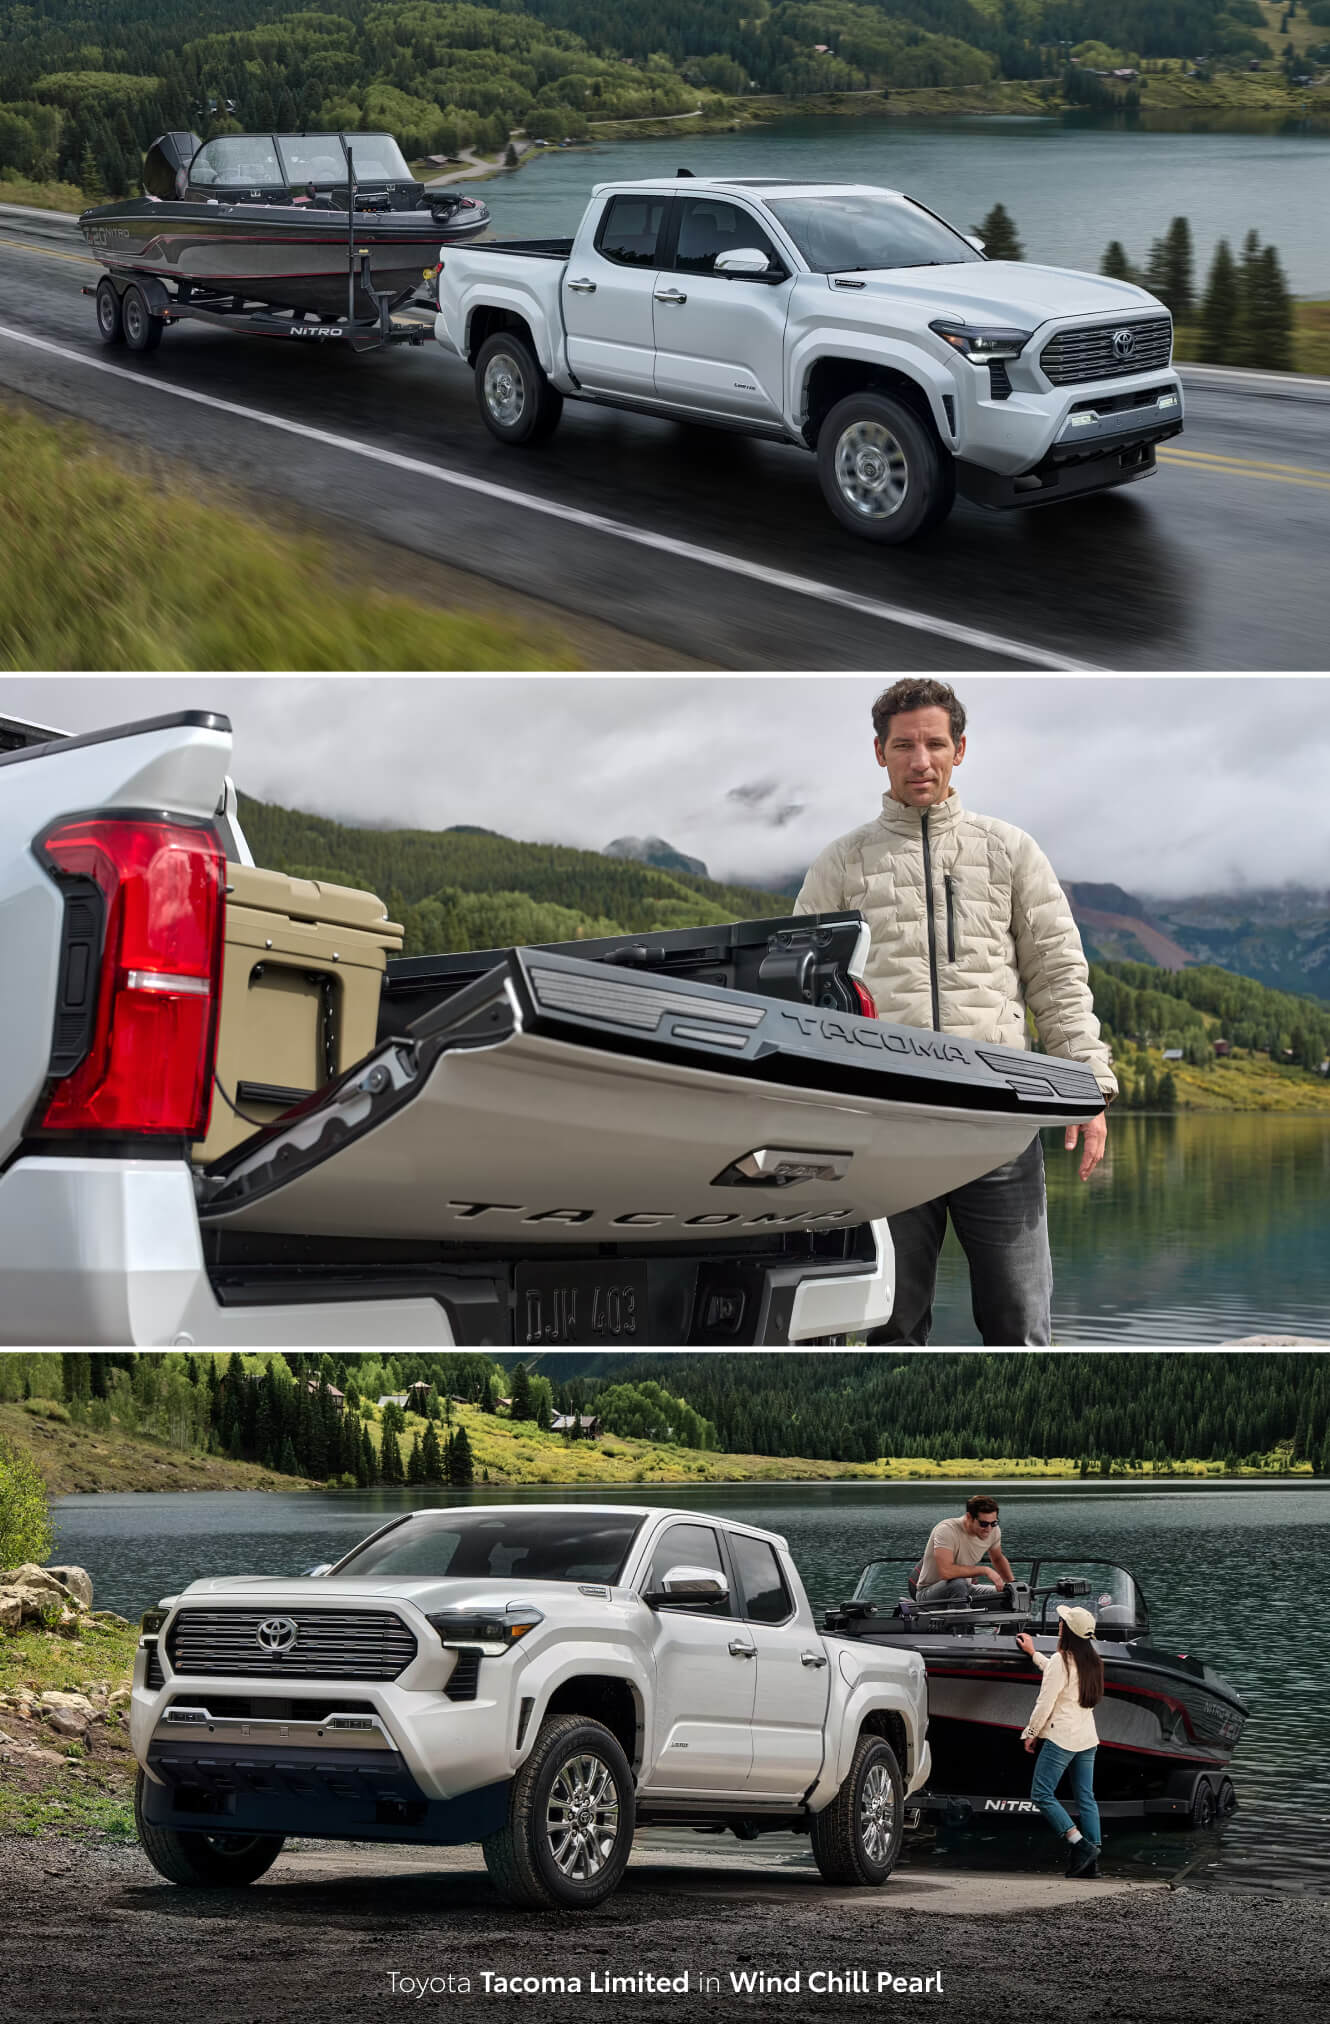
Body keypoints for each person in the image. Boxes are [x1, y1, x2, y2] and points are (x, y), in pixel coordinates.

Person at [794, 678, 1118, 1346]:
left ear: (960, 750)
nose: (921, 761)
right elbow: (803, 996)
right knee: (890, 1328)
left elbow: (1055, 974)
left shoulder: (1009, 851)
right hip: (887, 1131)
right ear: (879, 752)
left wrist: (1089, 1086)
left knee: (1021, 1326)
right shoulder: (842, 863)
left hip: (996, 1127)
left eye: (935, 744)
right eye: (904, 745)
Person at [1017, 1606, 1104, 1877]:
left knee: (1041, 1794)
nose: (1059, 1624)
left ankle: (1079, 1845)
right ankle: (1093, 1861)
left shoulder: (1061, 1660)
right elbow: (1057, 1675)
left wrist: (1030, 1733)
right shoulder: (1092, 1660)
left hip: (1061, 1738)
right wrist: (1034, 1655)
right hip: (1087, 1737)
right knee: (1086, 1798)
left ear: (1066, 1630)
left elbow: (1045, 1702)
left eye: (1062, 1622)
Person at [916, 1495, 1013, 1602]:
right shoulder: (946, 1530)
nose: (989, 1529)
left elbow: (997, 1559)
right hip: (929, 1593)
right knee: (957, 1584)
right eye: (983, 1524)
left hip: (966, 1589)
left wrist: (1013, 1584)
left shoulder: (993, 1531)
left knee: (1011, 1593)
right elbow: (946, 1572)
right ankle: (962, 1617)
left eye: (994, 1523)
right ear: (969, 1517)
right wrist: (985, 1570)